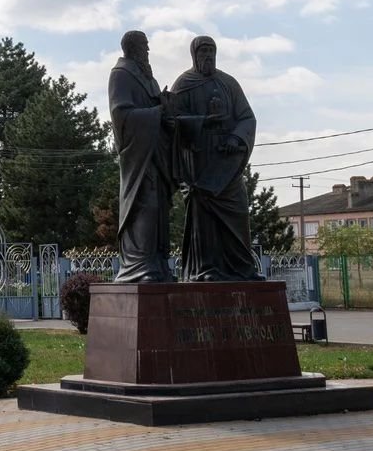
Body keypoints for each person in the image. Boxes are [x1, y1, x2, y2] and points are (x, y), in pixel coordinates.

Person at [170, 35, 262, 281]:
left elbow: (247, 117)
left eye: (211, 50)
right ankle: (206, 269)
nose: (208, 56)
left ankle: (244, 268)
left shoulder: (228, 83)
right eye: (203, 51)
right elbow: (171, 122)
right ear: (194, 55)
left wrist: (235, 139)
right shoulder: (183, 84)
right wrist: (202, 122)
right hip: (199, 163)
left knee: (239, 212)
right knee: (205, 219)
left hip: (227, 164)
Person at [107, 31, 176, 282]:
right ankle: (138, 264)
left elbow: (158, 113)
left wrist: (165, 109)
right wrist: (157, 111)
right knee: (145, 204)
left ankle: (157, 263)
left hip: (156, 153)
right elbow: (121, 115)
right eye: (145, 47)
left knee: (159, 208)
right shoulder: (121, 74)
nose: (148, 52)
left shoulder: (150, 79)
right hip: (138, 156)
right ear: (133, 49)